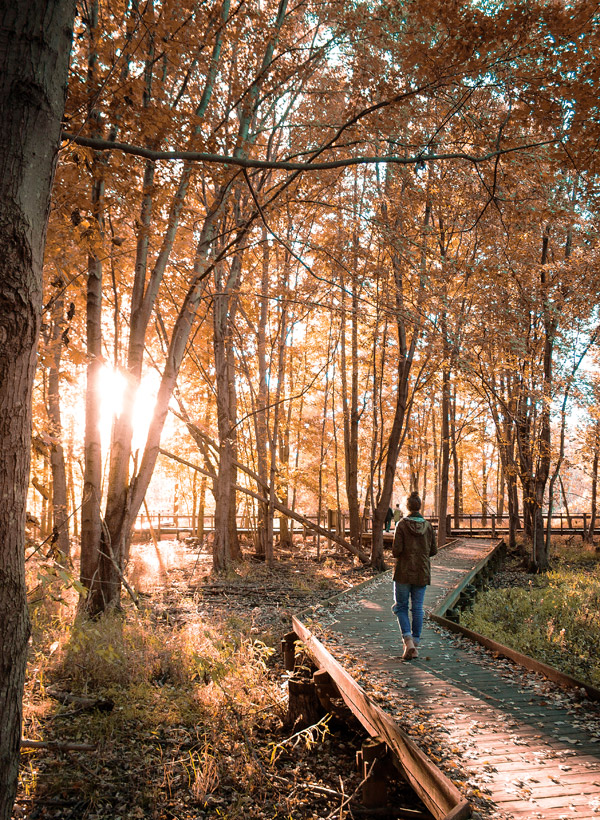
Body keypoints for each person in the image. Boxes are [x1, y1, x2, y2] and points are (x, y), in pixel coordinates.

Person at [391, 491, 437, 660]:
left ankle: (408, 640)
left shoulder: (402, 525)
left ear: (406, 507)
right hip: (422, 572)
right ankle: (414, 645)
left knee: (400, 607)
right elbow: (433, 551)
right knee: (417, 608)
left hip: (403, 571)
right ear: (419, 506)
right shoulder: (428, 526)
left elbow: (396, 551)